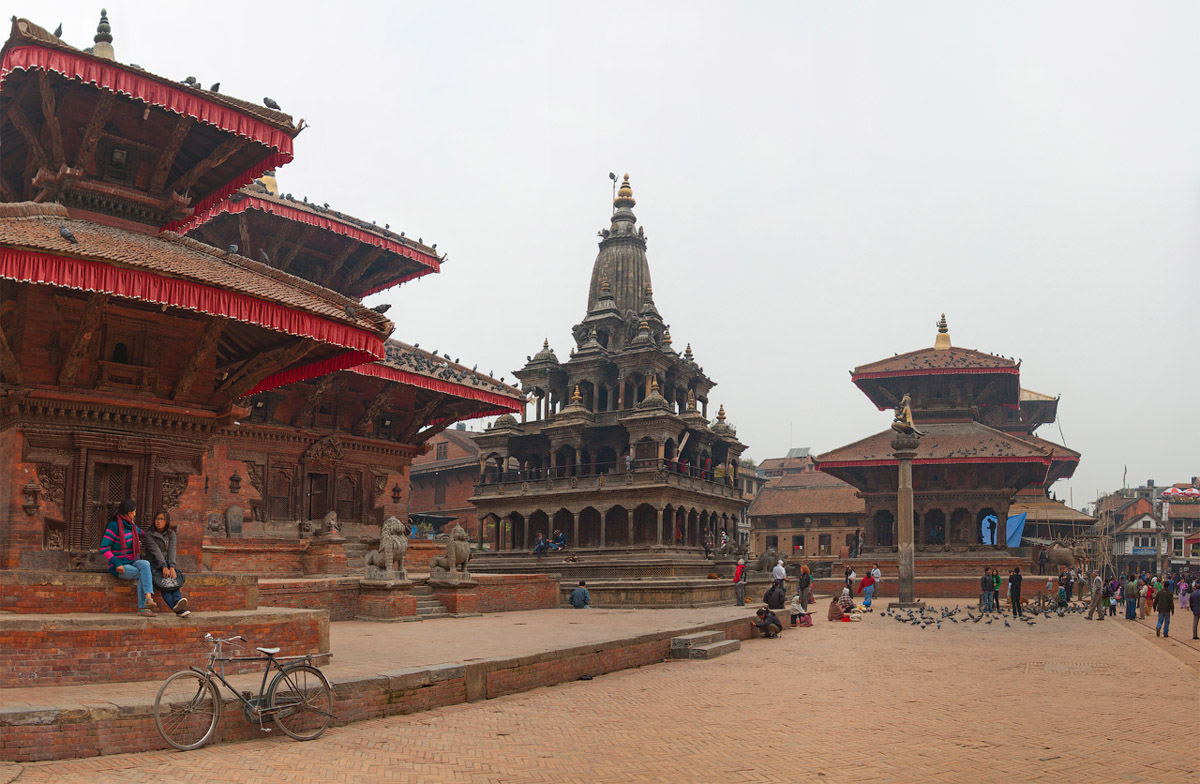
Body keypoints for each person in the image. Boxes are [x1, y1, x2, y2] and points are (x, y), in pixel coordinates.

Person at [99, 499, 156, 616]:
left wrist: (161, 531)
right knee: (143, 574)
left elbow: (145, 534)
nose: (135, 514)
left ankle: (148, 598)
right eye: (134, 512)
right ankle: (143, 607)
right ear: (128, 513)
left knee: (145, 564)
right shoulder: (114, 526)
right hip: (119, 566)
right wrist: (117, 563)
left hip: (133, 561)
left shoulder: (132, 527)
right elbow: (104, 548)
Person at [143, 510, 191, 617]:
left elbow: (171, 550)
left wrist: (172, 566)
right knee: (164, 583)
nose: (158, 522)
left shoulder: (171, 534)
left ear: (166, 521)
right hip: (154, 563)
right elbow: (155, 551)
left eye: (161, 519)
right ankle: (178, 609)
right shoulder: (149, 534)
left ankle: (178, 603)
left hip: (168, 563)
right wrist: (163, 566)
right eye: (157, 519)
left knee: (173, 580)